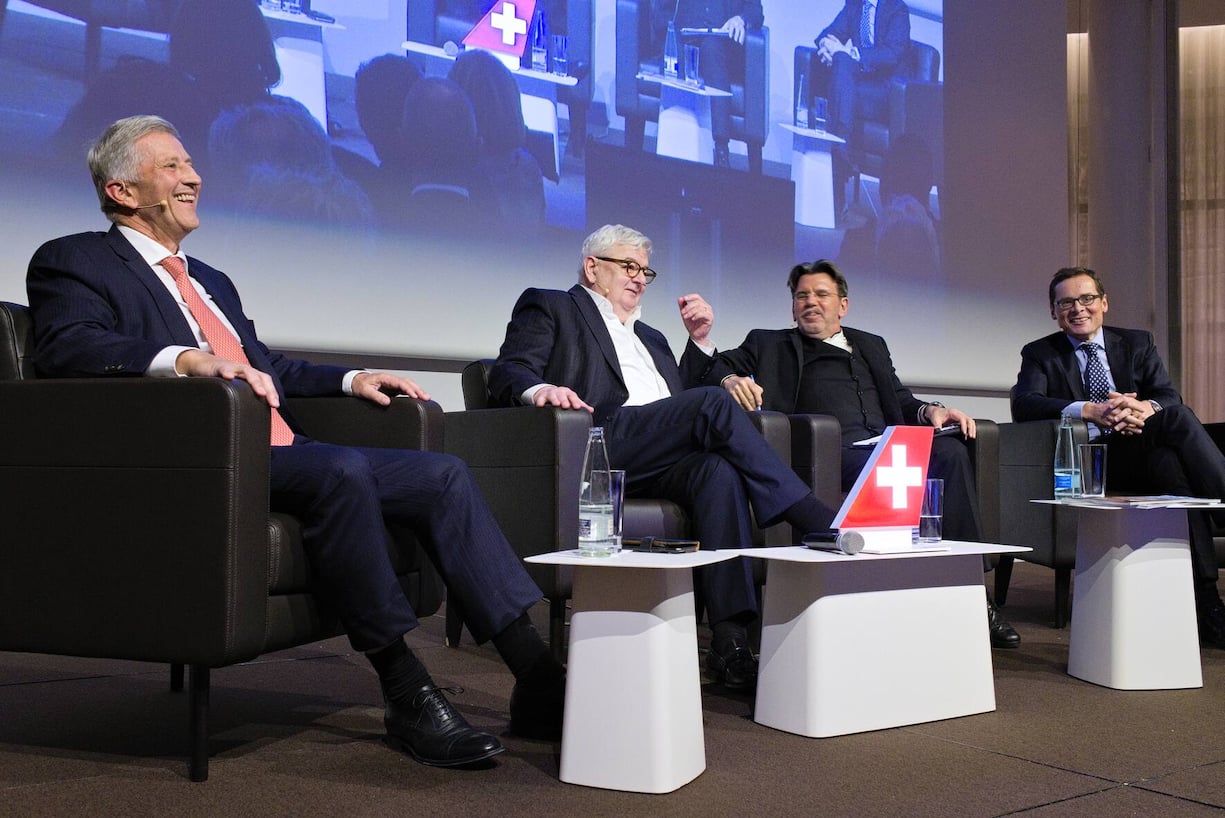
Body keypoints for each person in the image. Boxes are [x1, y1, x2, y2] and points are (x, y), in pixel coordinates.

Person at [25, 115, 567, 768]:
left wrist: (350, 376)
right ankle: (405, 689)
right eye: (171, 166)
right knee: (340, 471)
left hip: (284, 451)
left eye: (190, 163)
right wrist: (184, 360)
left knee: (442, 473)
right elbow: (68, 346)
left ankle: (535, 678)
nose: (193, 176)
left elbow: (266, 366)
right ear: (122, 191)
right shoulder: (75, 259)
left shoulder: (211, 280)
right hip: (200, 460)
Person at [487, 224, 838, 690]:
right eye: (627, 266)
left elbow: (679, 401)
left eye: (645, 271)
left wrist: (698, 342)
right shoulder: (553, 305)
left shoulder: (652, 336)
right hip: (594, 439)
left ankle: (730, 642)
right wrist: (541, 389)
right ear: (593, 267)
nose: (638, 278)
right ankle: (813, 516)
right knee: (714, 402)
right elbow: (508, 370)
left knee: (717, 472)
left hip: (649, 453)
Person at [702, 259, 1021, 649]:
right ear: (792, 306)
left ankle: (975, 597)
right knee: (891, 463)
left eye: (821, 295)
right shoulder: (769, 343)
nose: (810, 303)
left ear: (843, 305)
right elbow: (712, 367)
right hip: (828, 455)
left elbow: (899, 399)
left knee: (951, 452)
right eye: (802, 296)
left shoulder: (871, 344)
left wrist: (930, 411)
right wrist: (729, 378)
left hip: (886, 446)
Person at [1013, 266, 1225, 647]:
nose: (1078, 308)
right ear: (1053, 311)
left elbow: (1168, 395)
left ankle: (1206, 602)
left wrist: (1140, 408)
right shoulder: (1041, 353)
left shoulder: (1137, 342)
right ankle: (1210, 584)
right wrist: (1090, 410)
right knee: (1174, 461)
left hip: (1139, 444)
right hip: (1092, 460)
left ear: (1104, 303)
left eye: (1087, 298)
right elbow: (1025, 404)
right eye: (1066, 302)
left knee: (1172, 456)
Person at [809, 0, 912, 214]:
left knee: (842, 64)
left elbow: (891, 54)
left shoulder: (897, 9)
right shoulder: (855, 4)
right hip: (855, 85)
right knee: (840, 64)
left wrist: (851, 54)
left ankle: (839, 160)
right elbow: (828, 33)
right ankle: (841, 153)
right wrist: (826, 48)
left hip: (885, 92)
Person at [655, 0, 763, 168]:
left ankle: (721, 149)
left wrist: (741, 19)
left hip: (722, 43)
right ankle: (675, 149)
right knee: (675, 48)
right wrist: (667, 32)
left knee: (712, 47)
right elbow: (663, 9)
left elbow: (755, 10)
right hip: (685, 35)